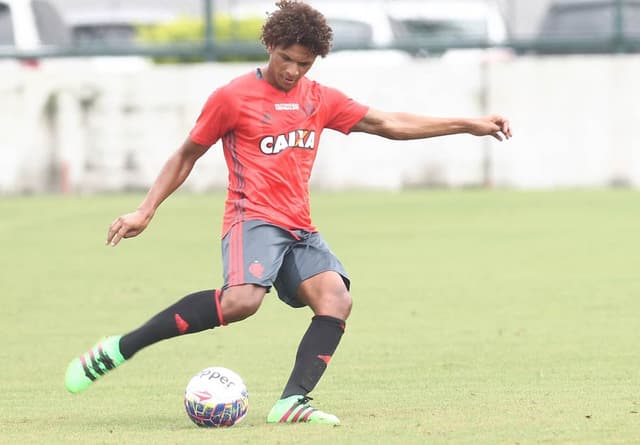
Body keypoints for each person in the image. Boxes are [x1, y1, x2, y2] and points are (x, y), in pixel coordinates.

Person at [64, 0, 512, 425]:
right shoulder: (232, 97)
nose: (293, 71)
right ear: (269, 47)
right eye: (286, 59)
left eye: (304, 63)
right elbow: (187, 155)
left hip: (299, 227)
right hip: (251, 218)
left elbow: (387, 124)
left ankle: (293, 401)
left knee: (337, 298)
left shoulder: (320, 98)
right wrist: (146, 210)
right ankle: (119, 348)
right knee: (242, 302)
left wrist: (469, 125)